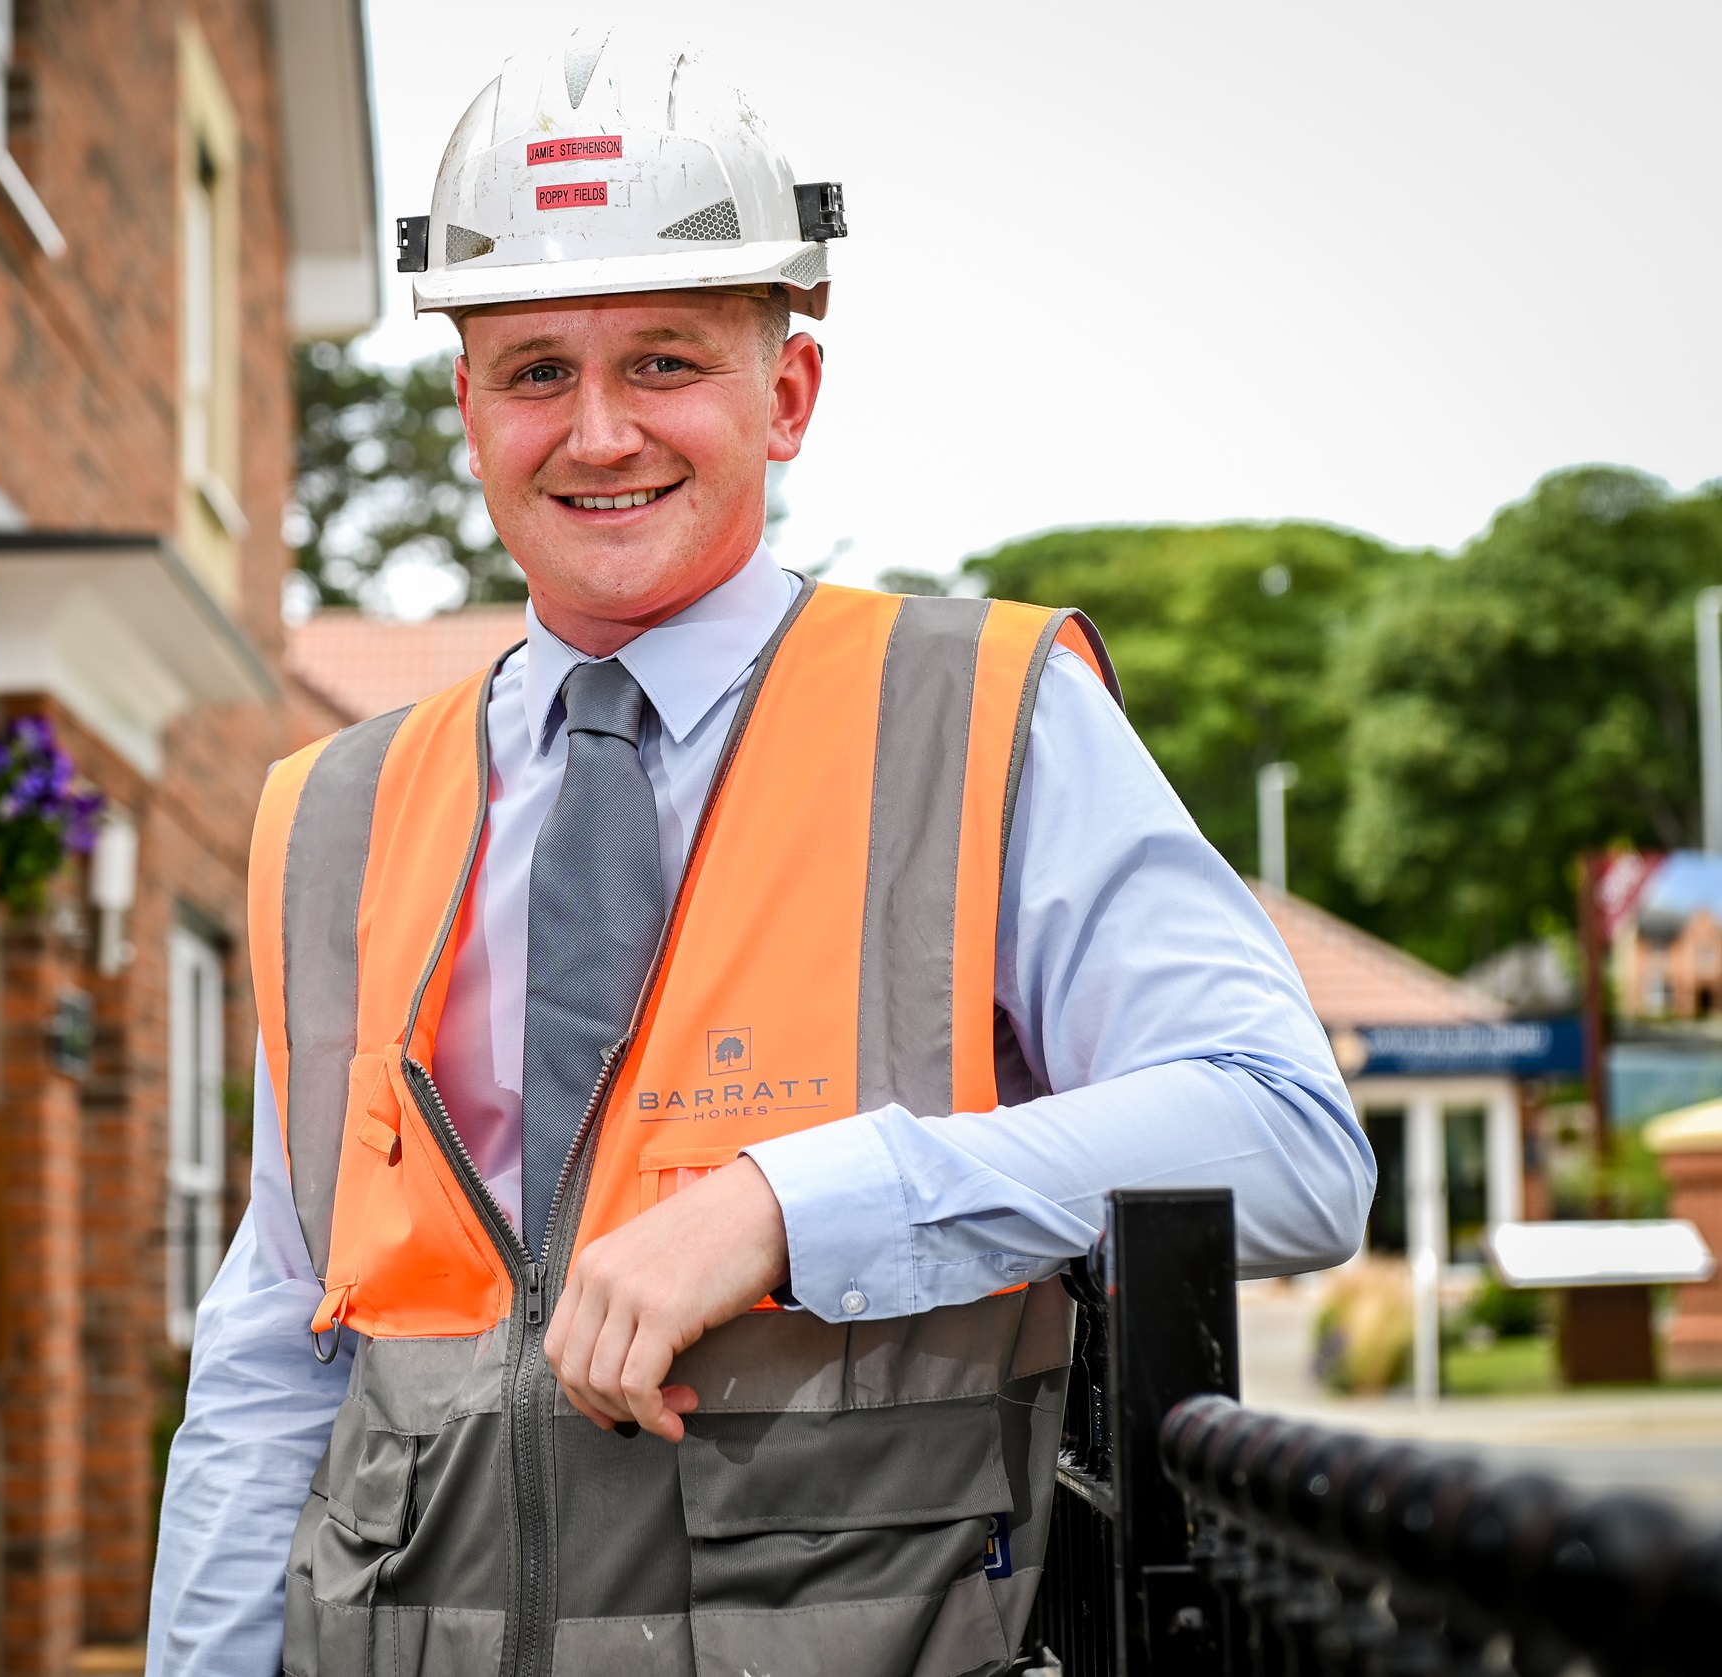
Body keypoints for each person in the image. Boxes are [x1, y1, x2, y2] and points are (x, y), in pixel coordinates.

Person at [150, 28, 1370, 1677]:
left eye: (664, 362)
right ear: (468, 407)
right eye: (535, 371)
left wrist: (791, 1202)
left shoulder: (980, 717)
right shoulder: (335, 812)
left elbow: (1291, 1139)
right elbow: (275, 1342)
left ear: (784, 392)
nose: (596, 434)